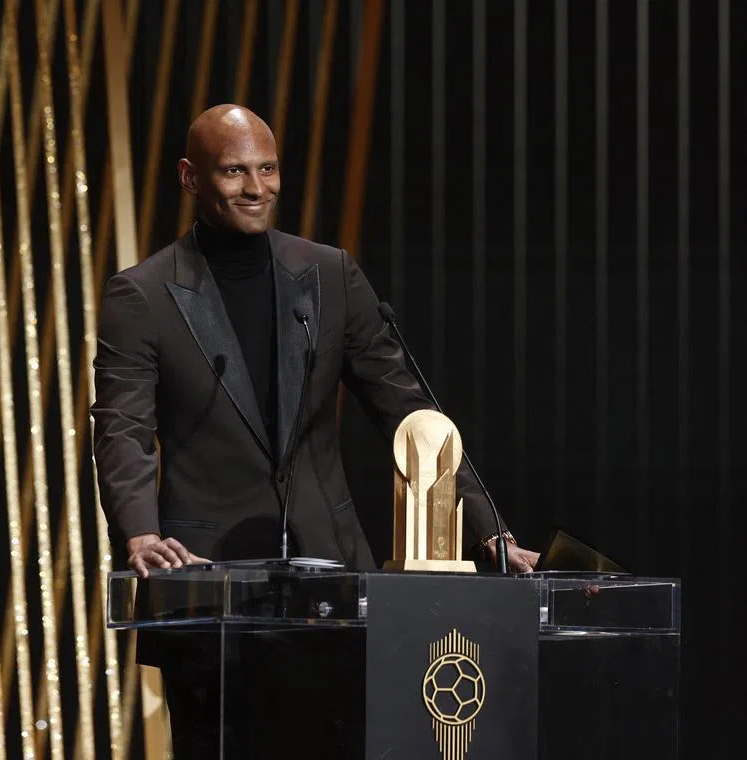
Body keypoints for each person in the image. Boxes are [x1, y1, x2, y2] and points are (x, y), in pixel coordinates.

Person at [91, 104, 539, 755]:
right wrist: (140, 533)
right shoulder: (144, 295)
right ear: (191, 178)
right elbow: (121, 428)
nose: (257, 187)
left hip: (333, 583)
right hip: (208, 585)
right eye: (235, 171)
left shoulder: (329, 275)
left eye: (268, 168)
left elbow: (410, 412)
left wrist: (487, 530)